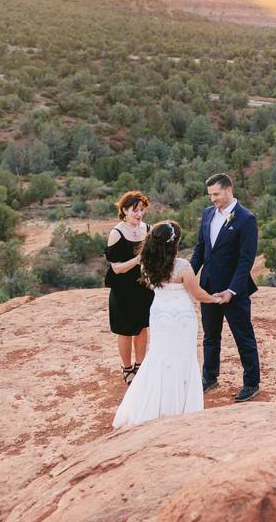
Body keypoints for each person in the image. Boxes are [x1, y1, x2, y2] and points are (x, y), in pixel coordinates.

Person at [112, 221, 219, 428]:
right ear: (175, 242)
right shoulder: (182, 267)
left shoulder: (145, 262)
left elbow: (152, 285)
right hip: (181, 318)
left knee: (159, 357)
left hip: (160, 315)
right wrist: (216, 299)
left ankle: (153, 405)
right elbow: (197, 294)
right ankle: (180, 407)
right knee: (183, 358)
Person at [190, 172, 261, 403]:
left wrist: (232, 290)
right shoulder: (208, 214)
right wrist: (188, 276)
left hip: (234, 291)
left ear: (229, 190)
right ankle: (210, 377)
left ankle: (251, 383)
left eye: (216, 194)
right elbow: (201, 249)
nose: (213, 199)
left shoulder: (246, 219)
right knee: (211, 336)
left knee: (243, 336)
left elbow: (245, 259)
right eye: (210, 195)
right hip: (208, 287)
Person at [104, 191, 155, 384]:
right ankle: (127, 368)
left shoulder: (148, 229)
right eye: (135, 210)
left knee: (142, 327)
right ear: (124, 210)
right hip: (123, 289)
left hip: (143, 287)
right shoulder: (116, 233)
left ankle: (140, 366)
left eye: (142, 210)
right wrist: (136, 261)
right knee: (125, 330)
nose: (139, 214)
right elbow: (116, 268)